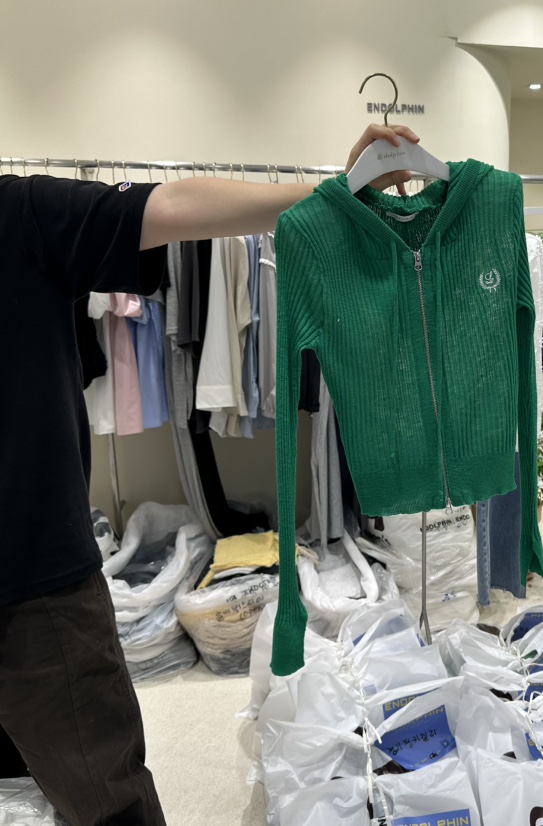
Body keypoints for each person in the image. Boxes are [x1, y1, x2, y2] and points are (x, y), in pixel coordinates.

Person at [0, 123, 419, 825]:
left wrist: (336, 194)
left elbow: (171, 205)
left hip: (29, 580)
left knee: (101, 794)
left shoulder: (17, 214)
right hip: (34, 578)